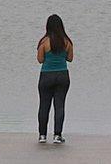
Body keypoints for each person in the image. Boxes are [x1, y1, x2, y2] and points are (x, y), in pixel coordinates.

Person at [37, 14, 74, 144]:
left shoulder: (44, 42)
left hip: (46, 76)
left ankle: (42, 135)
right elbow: (70, 58)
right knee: (59, 106)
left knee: (44, 106)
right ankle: (57, 135)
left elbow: (40, 59)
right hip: (62, 76)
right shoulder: (67, 42)